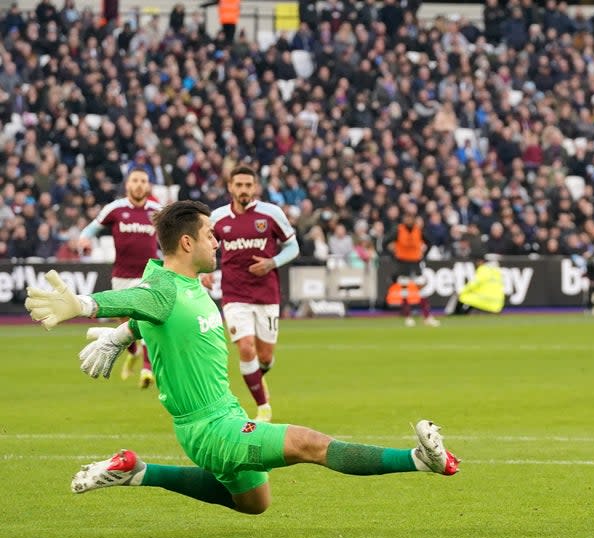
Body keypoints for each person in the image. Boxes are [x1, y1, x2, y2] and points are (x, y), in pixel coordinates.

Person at [24, 201, 459, 516]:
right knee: (310, 444)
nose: (219, 240)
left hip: (222, 413)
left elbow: (151, 315)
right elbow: (138, 299)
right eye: (212, 234)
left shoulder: (188, 286)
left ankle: (136, 471)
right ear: (188, 241)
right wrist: (82, 306)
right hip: (210, 428)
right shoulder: (163, 288)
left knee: (255, 504)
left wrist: (121, 335)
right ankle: (420, 460)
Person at [208, 165, 299, 423]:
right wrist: (203, 271)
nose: (244, 190)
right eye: (239, 185)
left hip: (267, 295)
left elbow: (293, 247)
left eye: (248, 185)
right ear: (230, 187)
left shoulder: (271, 214)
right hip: (234, 295)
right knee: (246, 348)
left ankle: (257, 379)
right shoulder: (217, 218)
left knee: (266, 357)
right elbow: (205, 247)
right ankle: (263, 407)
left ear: (255, 187)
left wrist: (271, 263)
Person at [76, 166, 162, 389]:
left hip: (149, 275)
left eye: (143, 180)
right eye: (135, 180)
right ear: (128, 184)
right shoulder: (115, 209)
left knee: (145, 322)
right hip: (122, 277)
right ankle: (133, 353)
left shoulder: (157, 210)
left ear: (148, 185)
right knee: (125, 325)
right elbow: (90, 230)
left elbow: (172, 235)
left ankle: (147, 368)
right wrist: (84, 240)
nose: (139, 184)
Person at [385, 210, 440, 327]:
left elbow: (429, 243)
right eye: (407, 218)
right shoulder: (398, 230)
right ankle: (408, 316)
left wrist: (423, 256)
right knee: (404, 291)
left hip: (415, 262)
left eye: (411, 218)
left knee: (421, 290)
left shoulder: (418, 230)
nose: (408, 220)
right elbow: (385, 242)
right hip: (402, 263)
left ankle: (427, 316)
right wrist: (393, 256)